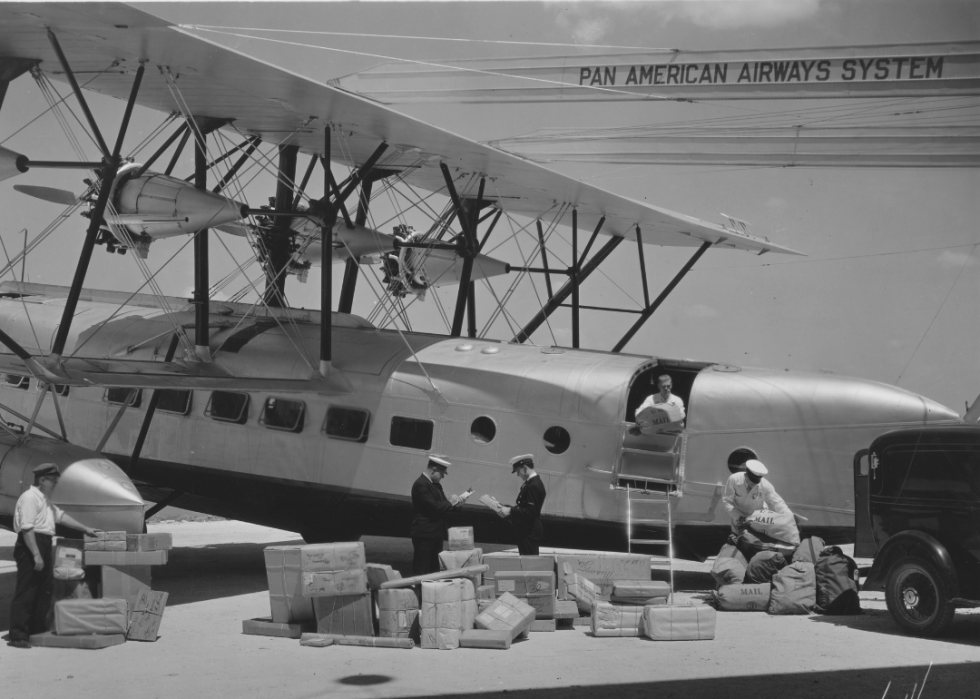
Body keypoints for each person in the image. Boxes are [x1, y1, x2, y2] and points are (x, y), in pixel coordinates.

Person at [8, 463, 101, 649]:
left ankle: (35, 631)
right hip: (30, 545)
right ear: (42, 480)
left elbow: (61, 517)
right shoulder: (29, 498)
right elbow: (27, 529)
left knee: (44, 589)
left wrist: (86, 529)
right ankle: (18, 635)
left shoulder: (45, 500)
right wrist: (36, 555)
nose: (55, 484)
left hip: (43, 542)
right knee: (27, 590)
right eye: (53, 481)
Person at [410, 455, 468, 576]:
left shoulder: (436, 485)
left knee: (434, 570)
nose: (442, 477)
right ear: (434, 469)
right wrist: (450, 502)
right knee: (422, 569)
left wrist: (456, 505)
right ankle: (420, 594)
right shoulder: (421, 484)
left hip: (436, 533)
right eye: (441, 473)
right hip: (425, 534)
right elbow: (435, 507)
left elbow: (443, 506)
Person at [722, 459, 792, 534]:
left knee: (755, 540)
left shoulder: (765, 485)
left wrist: (789, 517)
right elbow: (727, 501)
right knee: (737, 538)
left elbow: (777, 502)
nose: (753, 484)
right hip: (738, 516)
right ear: (746, 475)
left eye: (755, 482)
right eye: (751, 481)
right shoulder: (734, 479)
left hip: (758, 517)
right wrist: (739, 517)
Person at [497, 454, 547, 555]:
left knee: (529, 563)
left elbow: (531, 511)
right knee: (525, 561)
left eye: (518, 471)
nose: (518, 475)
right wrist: (502, 506)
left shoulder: (534, 485)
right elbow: (523, 508)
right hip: (526, 529)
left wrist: (510, 510)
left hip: (530, 531)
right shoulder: (531, 483)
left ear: (524, 468)